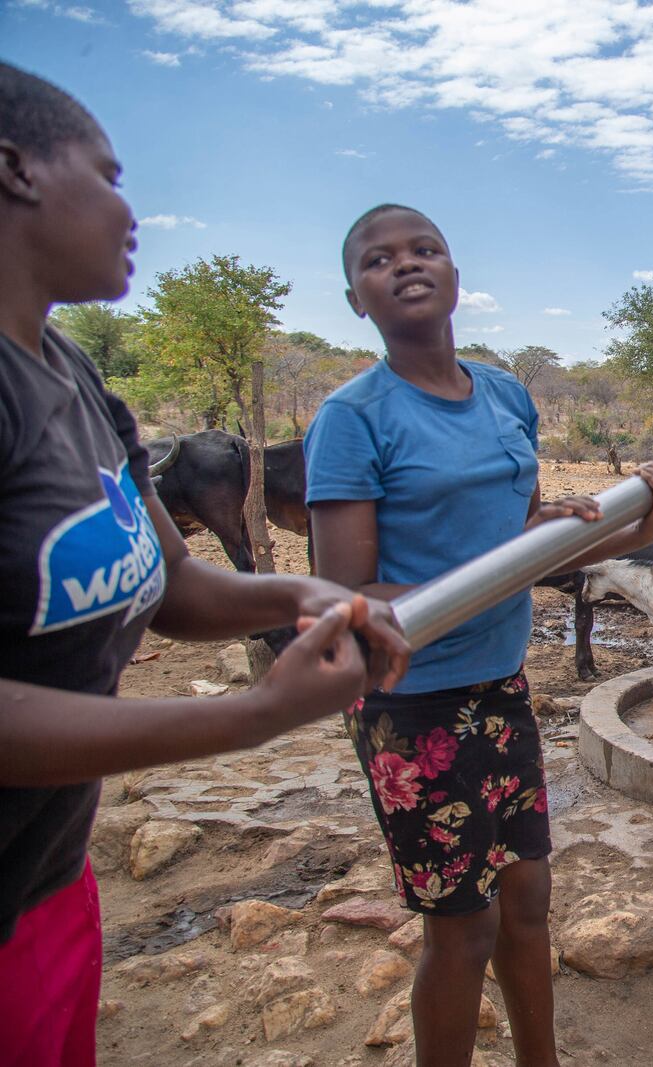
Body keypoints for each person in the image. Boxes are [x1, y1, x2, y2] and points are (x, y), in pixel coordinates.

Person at [0, 63, 413, 1067]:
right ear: (13, 170)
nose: (130, 206)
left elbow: (171, 583)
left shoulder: (73, 377)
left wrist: (304, 589)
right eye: (109, 172)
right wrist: (249, 716)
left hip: (43, 878)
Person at [307, 202, 653, 1067]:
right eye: (378, 259)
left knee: (528, 899)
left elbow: (534, 545)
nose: (406, 264)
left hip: (498, 684)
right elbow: (347, 593)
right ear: (355, 299)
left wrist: (647, 521)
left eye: (425, 249)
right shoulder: (353, 417)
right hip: (410, 702)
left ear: (453, 274)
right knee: (464, 927)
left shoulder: (506, 393)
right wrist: (511, 555)